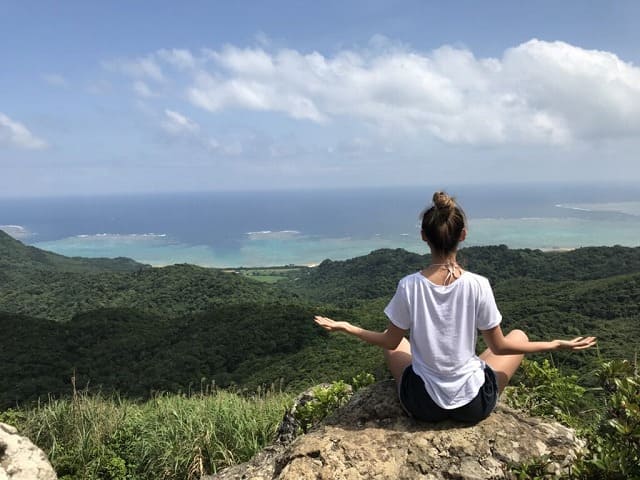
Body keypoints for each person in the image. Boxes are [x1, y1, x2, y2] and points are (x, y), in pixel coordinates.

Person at [314, 191, 596, 424]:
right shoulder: (479, 285)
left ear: (424, 236)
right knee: (518, 336)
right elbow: (499, 348)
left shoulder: (409, 286)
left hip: (423, 405)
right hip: (473, 406)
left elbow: (389, 340)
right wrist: (556, 344)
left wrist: (347, 327)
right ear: (463, 235)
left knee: (397, 344)